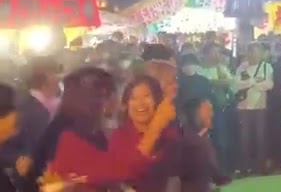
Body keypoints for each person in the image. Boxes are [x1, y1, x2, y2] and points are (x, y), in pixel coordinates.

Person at [44, 67, 175, 188]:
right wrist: (156, 125)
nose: (117, 100)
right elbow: (121, 169)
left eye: (146, 96)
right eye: (112, 94)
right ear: (98, 99)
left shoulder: (94, 133)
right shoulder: (68, 137)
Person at [112, 75, 184, 192]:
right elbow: (127, 171)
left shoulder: (171, 136)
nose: (140, 103)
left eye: (146, 96)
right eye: (133, 98)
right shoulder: (118, 137)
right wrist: (155, 127)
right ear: (126, 104)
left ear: (157, 100)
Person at [5, 57, 60, 186]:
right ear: (48, 77)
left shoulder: (51, 106)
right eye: (57, 75)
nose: (60, 81)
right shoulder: (27, 109)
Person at [233, 42, 274, 175]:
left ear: (261, 53)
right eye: (251, 52)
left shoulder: (266, 67)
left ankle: (261, 166)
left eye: (256, 52)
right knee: (245, 138)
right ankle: (245, 167)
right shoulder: (242, 67)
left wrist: (252, 84)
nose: (253, 55)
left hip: (260, 107)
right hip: (243, 107)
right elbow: (237, 84)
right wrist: (254, 81)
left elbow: (269, 84)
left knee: (260, 137)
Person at [178, 97, 230, 192]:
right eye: (208, 110)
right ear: (196, 113)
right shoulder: (190, 139)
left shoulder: (200, 135)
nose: (212, 114)